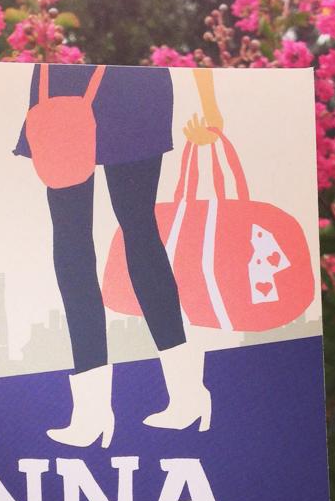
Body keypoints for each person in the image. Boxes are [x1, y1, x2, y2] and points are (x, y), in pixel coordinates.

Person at [15, 64, 223, 447]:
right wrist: (209, 105)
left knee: (120, 232)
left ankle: (177, 396)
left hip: (124, 87)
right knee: (88, 238)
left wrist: (209, 104)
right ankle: (103, 409)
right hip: (82, 86)